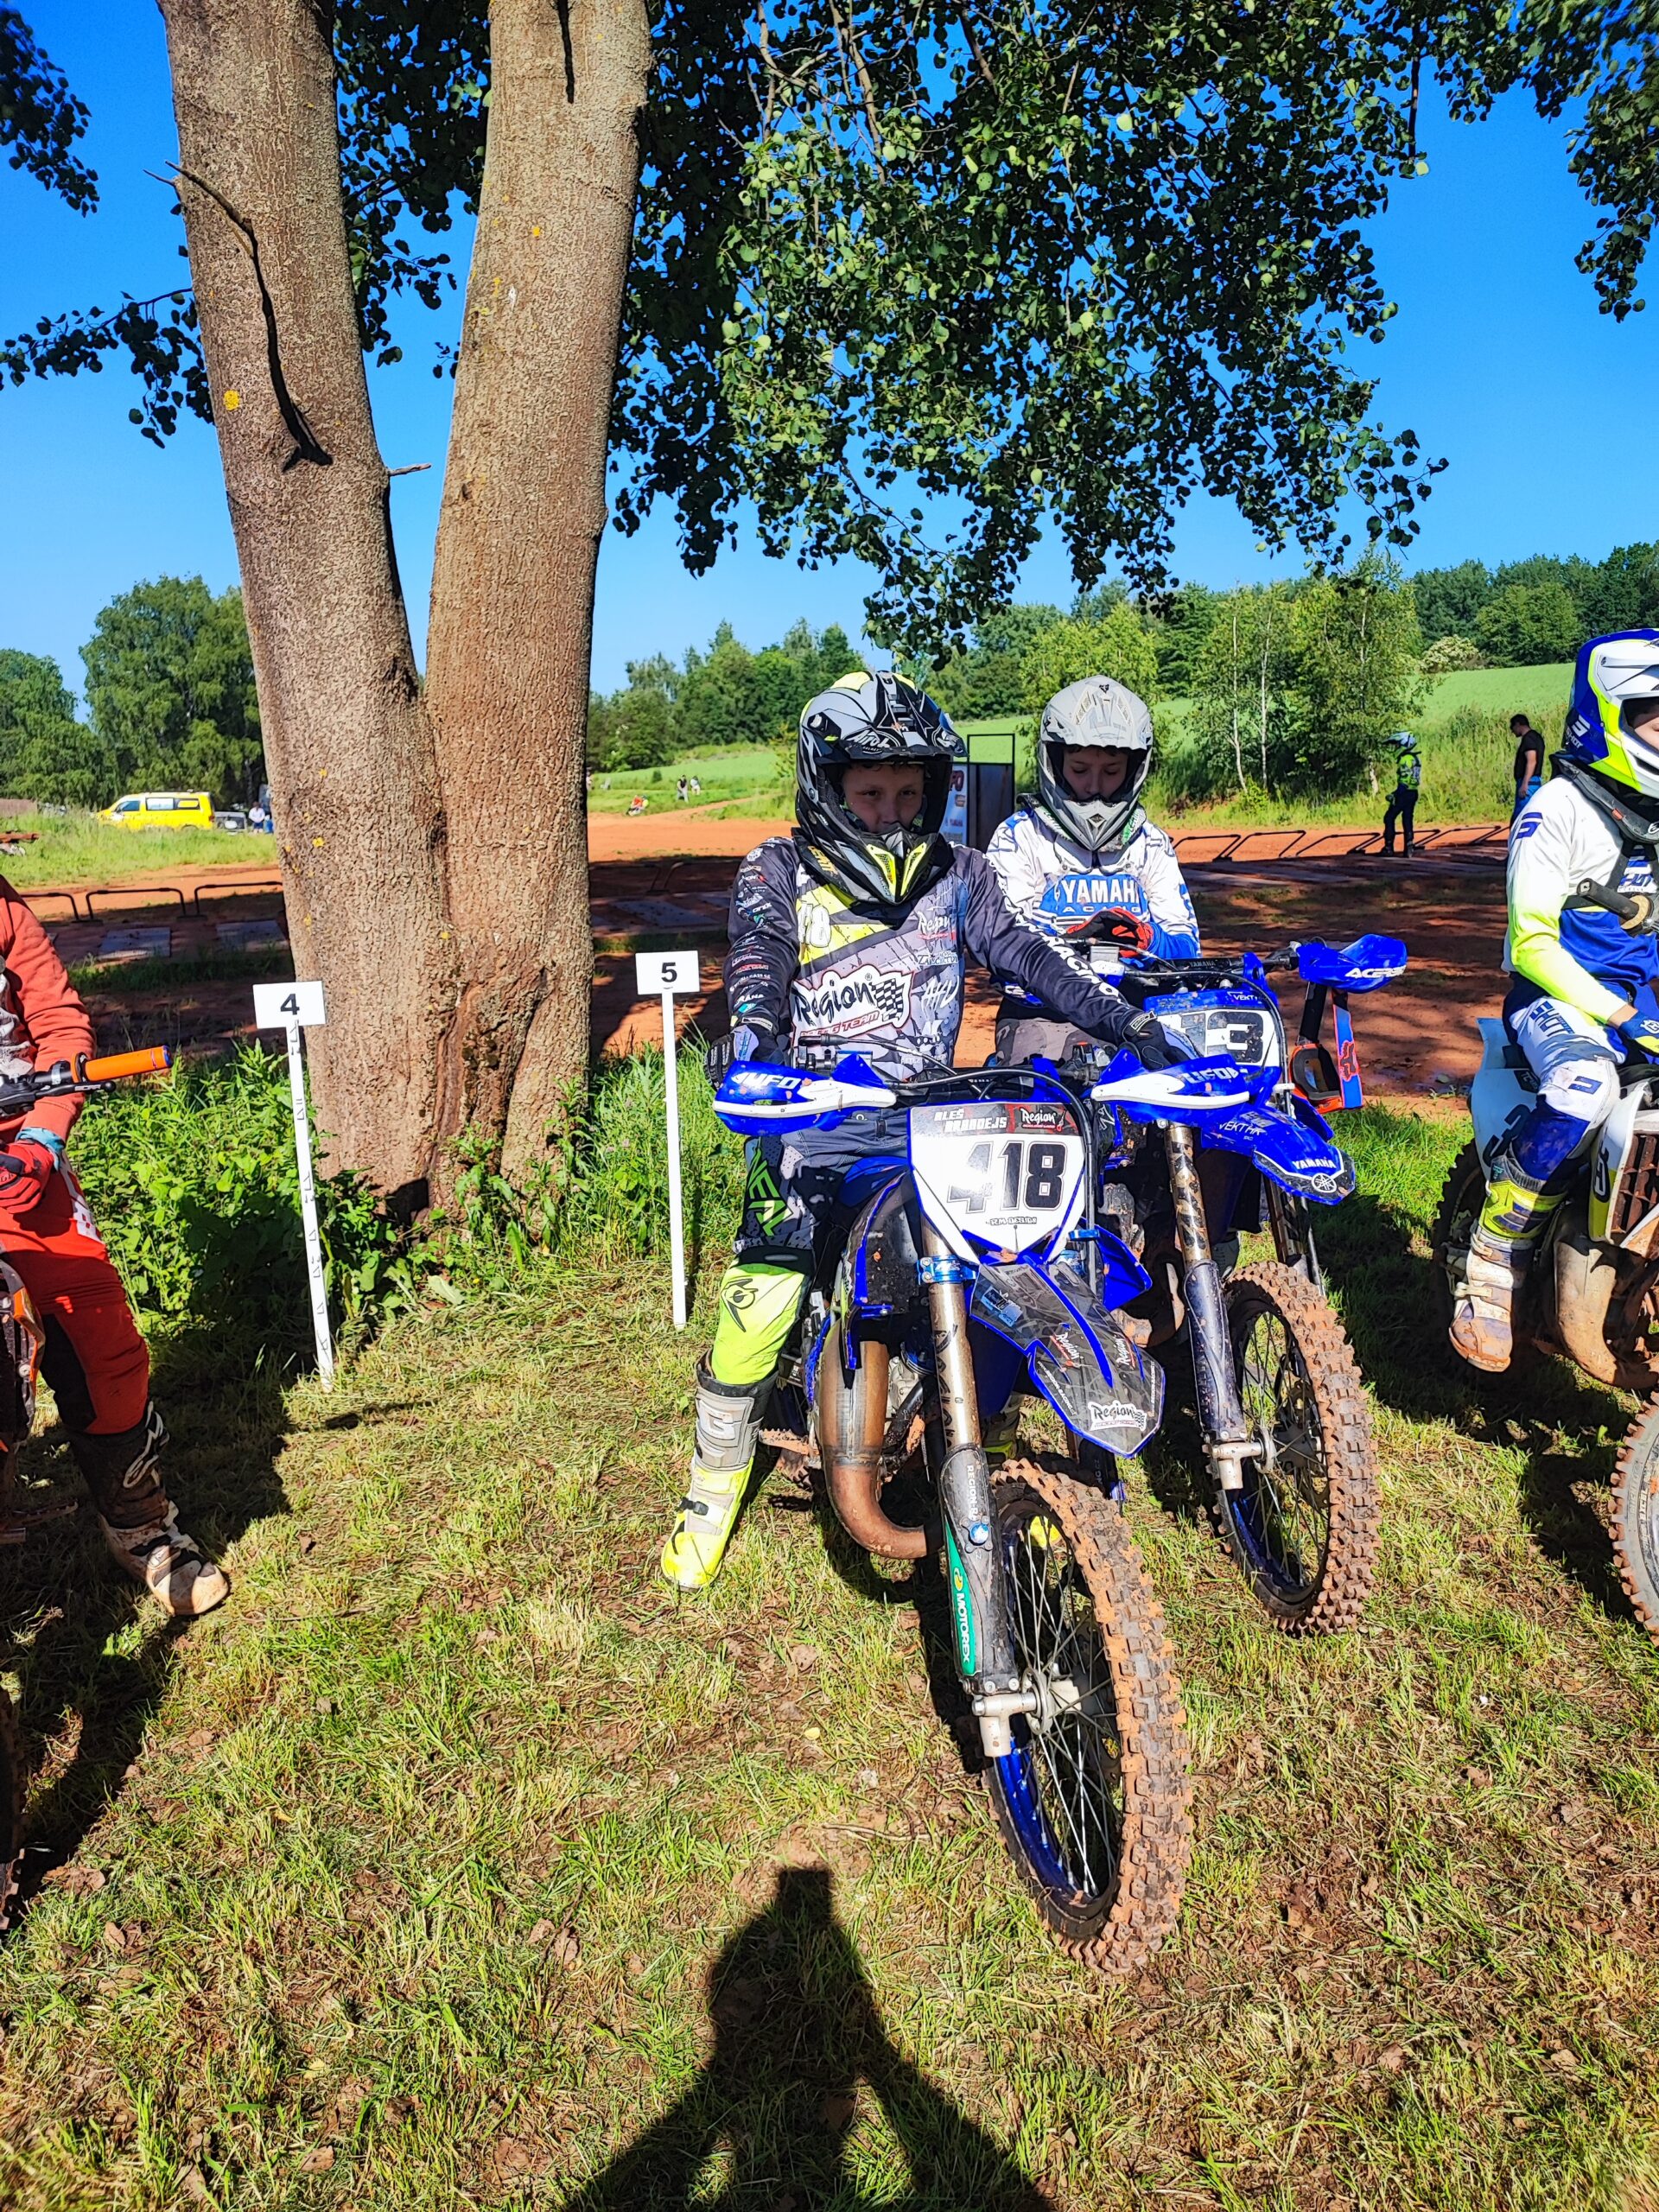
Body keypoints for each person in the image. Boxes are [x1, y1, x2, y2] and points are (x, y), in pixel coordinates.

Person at [661, 670, 1184, 1591]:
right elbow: (759, 963)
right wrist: (754, 1041)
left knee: (1025, 1253)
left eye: (910, 794)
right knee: (764, 1292)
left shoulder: (961, 873)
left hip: (932, 1117)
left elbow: (1030, 956)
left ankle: (1021, 1449)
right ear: (827, 785)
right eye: (871, 793)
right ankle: (712, 1482)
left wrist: (1125, 1021)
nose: (892, 815)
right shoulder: (776, 871)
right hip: (811, 1118)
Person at [0, 886, 228, 1612]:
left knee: (104, 1344)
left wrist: (43, 1133)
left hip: (17, 1159)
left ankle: (139, 1524)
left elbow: (59, 1022)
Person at [1450, 630, 1659, 1370]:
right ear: (1609, 713)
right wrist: (1621, 1015)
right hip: (1554, 998)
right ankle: (1493, 1256)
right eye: (1658, 715)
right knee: (1585, 1083)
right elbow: (1532, 943)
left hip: (1639, 997)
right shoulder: (1555, 809)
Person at [984, 675, 1198, 1061]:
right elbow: (1006, 955)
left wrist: (1148, 940)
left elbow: (1188, 951)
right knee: (1048, 1085)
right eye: (1080, 770)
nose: (1094, 786)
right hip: (1045, 1016)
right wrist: (1072, 943)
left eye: (1111, 771)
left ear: (1134, 769)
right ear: (1054, 762)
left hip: (1138, 1012)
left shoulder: (1150, 843)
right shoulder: (1019, 838)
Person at [1380, 730, 1421, 856]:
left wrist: (1395, 794)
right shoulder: (1415, 758)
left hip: (1404, 793)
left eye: (1397, 745)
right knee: (1407, 819)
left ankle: (1388, 848)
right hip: (1413, 792)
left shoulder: (1405, 760)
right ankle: (1409, 847)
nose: (1396, 748)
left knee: (1389, 817)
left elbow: (1404, 780)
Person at [1511, 713, 1546, 817]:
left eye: (1512, 727)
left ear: (1518, 724)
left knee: (1522, 814)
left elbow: (1532, 761)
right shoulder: (1536, 737)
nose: (1512, 731)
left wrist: (1525, 783)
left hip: (1529, 782)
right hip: (1534, 781)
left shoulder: (1528, 739)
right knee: (1532, 811)